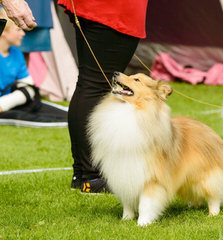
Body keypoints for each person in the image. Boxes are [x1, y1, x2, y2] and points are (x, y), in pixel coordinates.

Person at [57, 0, 148, 193]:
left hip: (98, 8)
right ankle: (92, 175)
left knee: (89, 84)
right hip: (111, 9)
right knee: (96, 86)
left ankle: (83, 174)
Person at [0, 8, 35, 113]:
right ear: (3, 31)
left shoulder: (17, 54)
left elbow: (29, 89)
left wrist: (3, 104)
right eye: (18, 29)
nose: (23, 34)